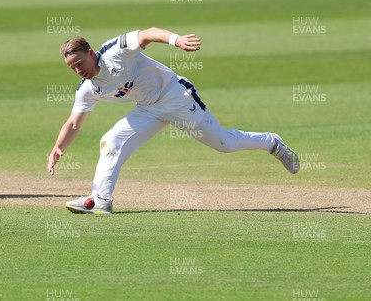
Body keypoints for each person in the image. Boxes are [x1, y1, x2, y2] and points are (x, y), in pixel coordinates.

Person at [48, 27, 299, 214]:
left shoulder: (115, 51)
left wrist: (176, 40)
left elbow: (147, 33)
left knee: (225, 144)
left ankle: (271, 143)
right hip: (148, 109)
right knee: (111, 141)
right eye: (72, 68)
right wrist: (59, 147)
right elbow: (73, 123)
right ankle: (101, 200)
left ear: (91, 54)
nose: (78, 70)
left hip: (175, 96)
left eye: (80, 63)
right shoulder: (87, 89)